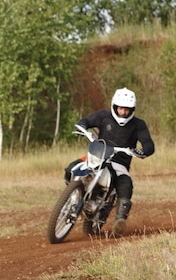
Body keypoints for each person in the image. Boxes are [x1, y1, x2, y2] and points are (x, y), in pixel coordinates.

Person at [66, 87, 155, 235]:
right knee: (71, 168)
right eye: (121, 108)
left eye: (127, 109)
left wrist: (143, 151)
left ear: (132, 109)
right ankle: (71, 197)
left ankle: (120, 219)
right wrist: (82, 126)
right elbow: (86, 121)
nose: (123, 112)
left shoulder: (138, 124)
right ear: (115, 106)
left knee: (126, 183)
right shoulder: (103, 115)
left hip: (119, 162)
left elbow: (148, 144)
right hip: (97, 155)